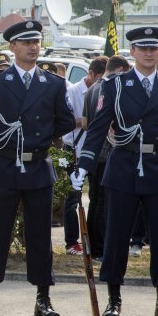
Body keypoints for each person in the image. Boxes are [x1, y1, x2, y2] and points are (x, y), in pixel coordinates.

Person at [72, 27, 158, 316]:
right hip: (123, 166)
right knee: (116, 236)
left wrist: (157, 147)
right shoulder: (115, 86)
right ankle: (114, 299)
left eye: (154, 48)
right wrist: (83, 165)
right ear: (132, 52)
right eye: (142, 48)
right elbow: (97, 129)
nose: (149, 53)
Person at [0, 20, 74, 316]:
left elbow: (65, 121)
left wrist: (42, 137)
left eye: (36, 42)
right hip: (4, 165)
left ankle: (43, 297)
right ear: (12, 47)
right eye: (26, 42)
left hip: (38, 165)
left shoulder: (53, 83)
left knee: (40, 235)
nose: (32, 47)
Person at [82, 55, 131, 263]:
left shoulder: (93, 88)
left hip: (95, 152)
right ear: (120, 69)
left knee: (95, 201)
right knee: (103, 203)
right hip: (108, 151)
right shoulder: (111, 88)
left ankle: (93, 245)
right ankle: (100, 248)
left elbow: (85, 123)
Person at [61, 57, 107, 256]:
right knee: (73, 199)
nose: (101, 83)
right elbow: (64, 122)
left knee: (97, 198)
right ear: (91, 74)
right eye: (99, 78)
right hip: (73, 150)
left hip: (96, 153)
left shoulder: (105, 91)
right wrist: (88, 121)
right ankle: (72, 242)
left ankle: (92, 241)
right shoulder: (71, 92)